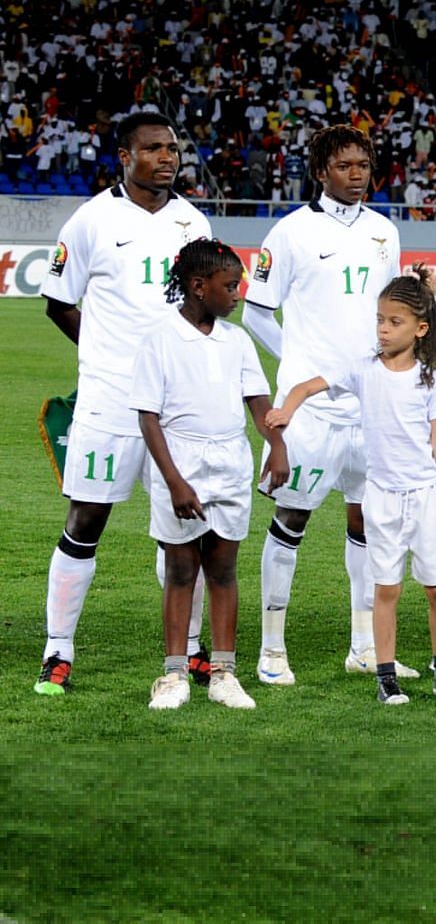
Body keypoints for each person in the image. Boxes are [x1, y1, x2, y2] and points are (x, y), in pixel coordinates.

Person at [35, 111, 213, 698]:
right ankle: (57, 651)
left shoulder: (193, 223)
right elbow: (60, 301)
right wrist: (108, 358)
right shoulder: (91, 220)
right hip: (110, 401)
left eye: (173, 148)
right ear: (124, 157)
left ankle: (189, 650)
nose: (168, 157)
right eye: (154, 149)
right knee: (86, 522)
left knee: (183, 530)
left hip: (179, 405)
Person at [268, 272, 436, 704]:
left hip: (427, 499)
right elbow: (308, 384)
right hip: (381, 499)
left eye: (394, 322)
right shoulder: (363, 370)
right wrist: (286, 410)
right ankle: (385, 676)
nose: (383, 329)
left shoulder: (430, 382)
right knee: (386, 589)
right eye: (380, 320)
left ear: (420, 329)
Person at [243, 124, 406, 685]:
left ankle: (364, 645)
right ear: (320, 171)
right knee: (291, 519)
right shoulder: (290, 233)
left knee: (368, 521)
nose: (357, 174)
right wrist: (307, 367)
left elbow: (389, 312)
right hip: (312, 409)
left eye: (363, 164)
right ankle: (270, 651)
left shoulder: (385, 232)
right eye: (345, 165)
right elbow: (256, 311)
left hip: (371, 405)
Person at [133, 239, 289, 711]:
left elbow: (258, 402)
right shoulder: (160, 340)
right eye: (229, 286)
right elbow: (148, 417)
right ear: (198, 287)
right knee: (181, 570)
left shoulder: (236, 340)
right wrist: (175, 481)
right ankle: (175, 673)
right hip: (179, 460)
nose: (237, 293)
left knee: (222, 569)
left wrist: (277, 445)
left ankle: (223, 672)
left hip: (230, 461)